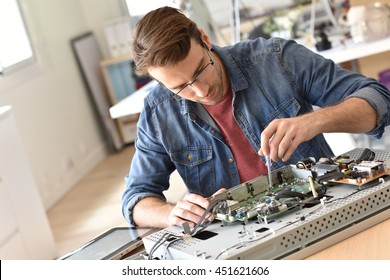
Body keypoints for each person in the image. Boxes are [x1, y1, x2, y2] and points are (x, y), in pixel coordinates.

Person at [122, 6, 390, 229]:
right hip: (236, 240)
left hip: (320, 214)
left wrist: (315, 121)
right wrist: (169, 214)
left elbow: (379, 101)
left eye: (200, 71)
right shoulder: (157, 111)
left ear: (204, 39)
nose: (201, 91)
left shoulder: (276, 60)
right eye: (180, 88)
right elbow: (136, 199)